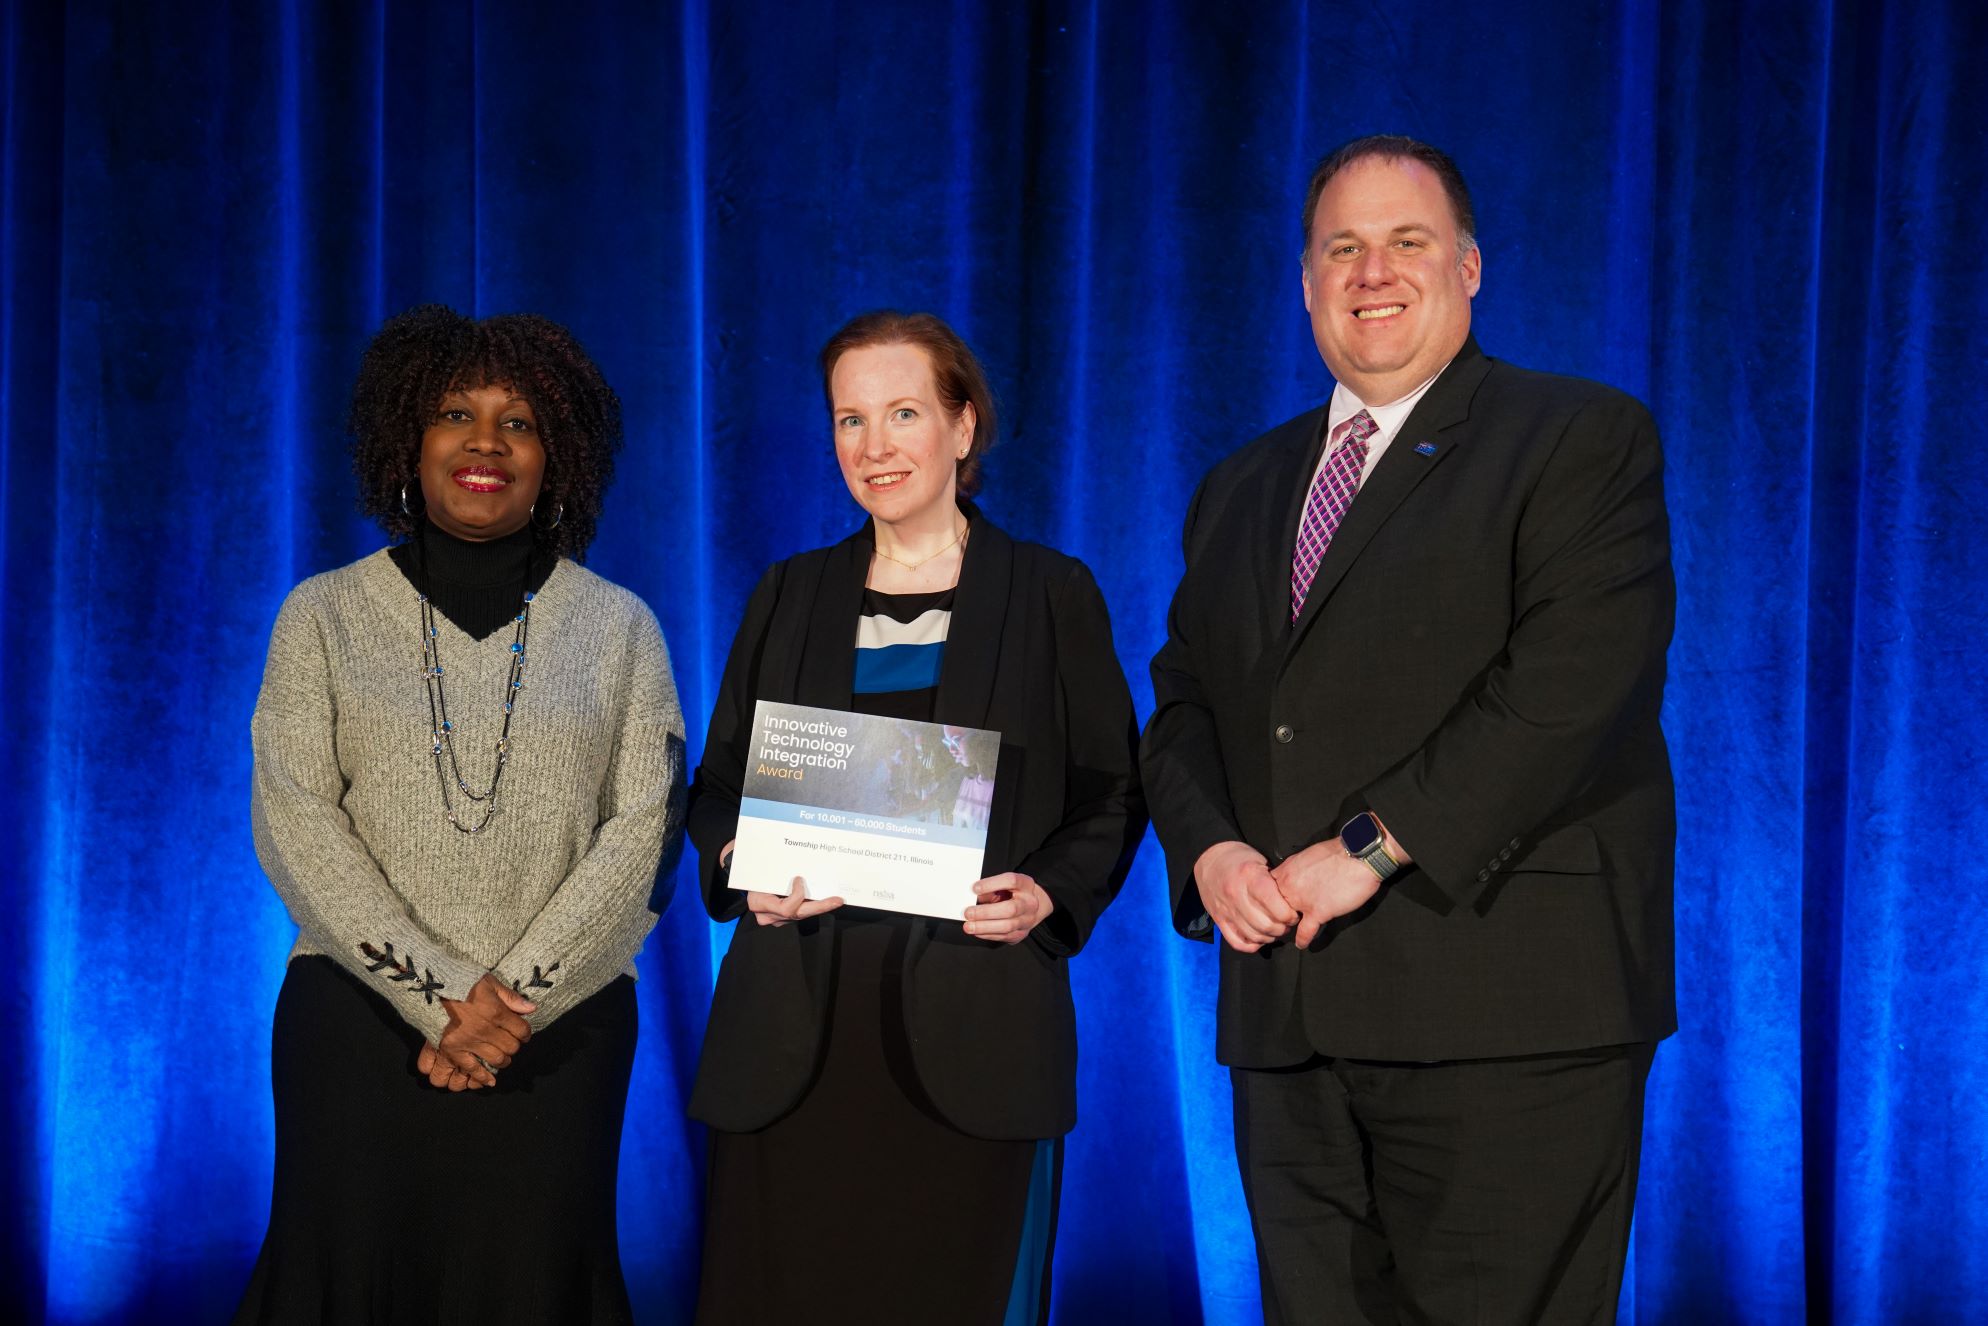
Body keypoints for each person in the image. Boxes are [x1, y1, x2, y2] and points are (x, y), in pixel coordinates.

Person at [1142, 136, 1675, 1323]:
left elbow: (1567, 692)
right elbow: (1181, 705)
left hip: (1506, 1014)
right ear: (1304, 281)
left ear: (1469, 270)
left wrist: (1372, 849)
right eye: (1342, 248)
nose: (1370, 272)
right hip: (1289, 1021)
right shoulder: (1239, 485)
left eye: (1405, 243)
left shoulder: (1576, 438)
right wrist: (1212, 852)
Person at [688, 311, 1146, 1325]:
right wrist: (734, 861)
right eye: (850, 420)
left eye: (903, 412)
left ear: (964, 427)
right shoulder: (788, 594)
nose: (875, 446)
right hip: (795, 1037)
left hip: (974, 1033)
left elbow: (1112, 789)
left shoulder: (1047, 594)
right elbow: (716, 787)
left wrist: (1047, 895)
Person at [237, 305, 686, 1324]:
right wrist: (438, 994)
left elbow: (645, 835)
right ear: (409, 439)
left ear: (557, 453)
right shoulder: (321, 614)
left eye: (519, 422)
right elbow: (294, 818)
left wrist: (507, 1004)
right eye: (454, 414)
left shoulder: (621, 628)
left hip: (555, 1034)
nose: (485, 442)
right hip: (356, 1024)